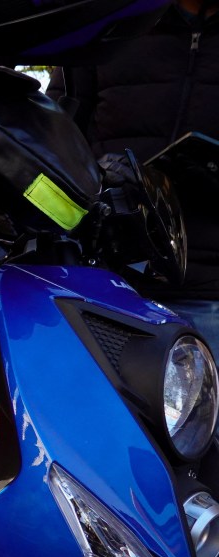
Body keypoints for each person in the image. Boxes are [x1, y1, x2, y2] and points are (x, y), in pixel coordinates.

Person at [47, 0, 219, 348]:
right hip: (102, 280)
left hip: (210, 291)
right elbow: (53, 131)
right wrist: (95, 177)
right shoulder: (109, 19)